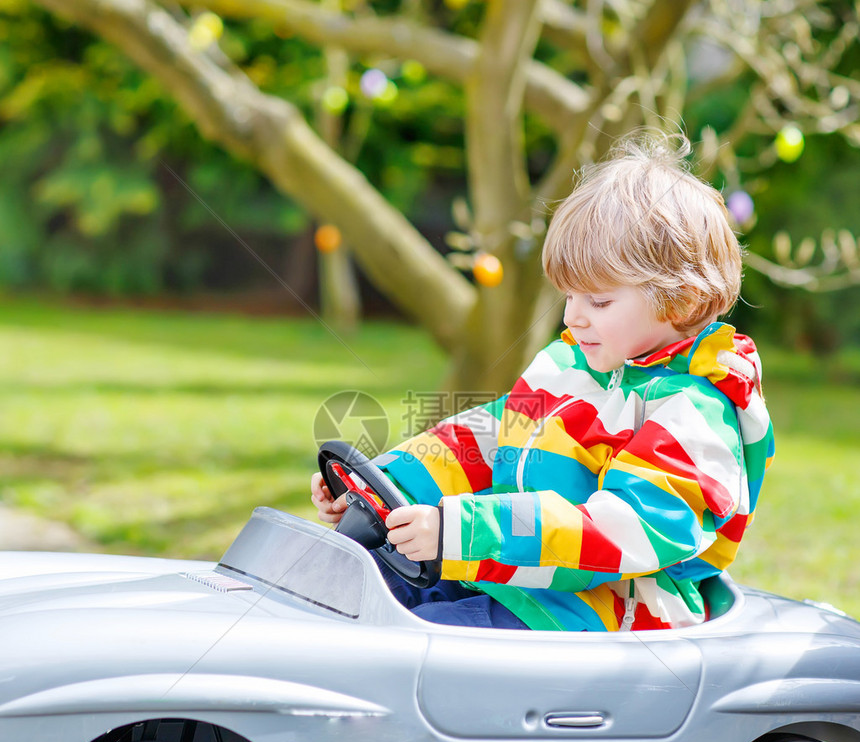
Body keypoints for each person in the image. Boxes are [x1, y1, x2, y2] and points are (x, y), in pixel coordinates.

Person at [311, 133, 774, 632]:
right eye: (569, 296)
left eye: (599, 302)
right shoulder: (572, 368)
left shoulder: (694, 414)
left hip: (606, 611)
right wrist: (381, 487)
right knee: (347, 586)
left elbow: (617, 532)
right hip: (517, 576)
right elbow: (483, 440)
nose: (574, 316)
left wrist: (463, 532)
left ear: (679, 302)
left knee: (415, 639)